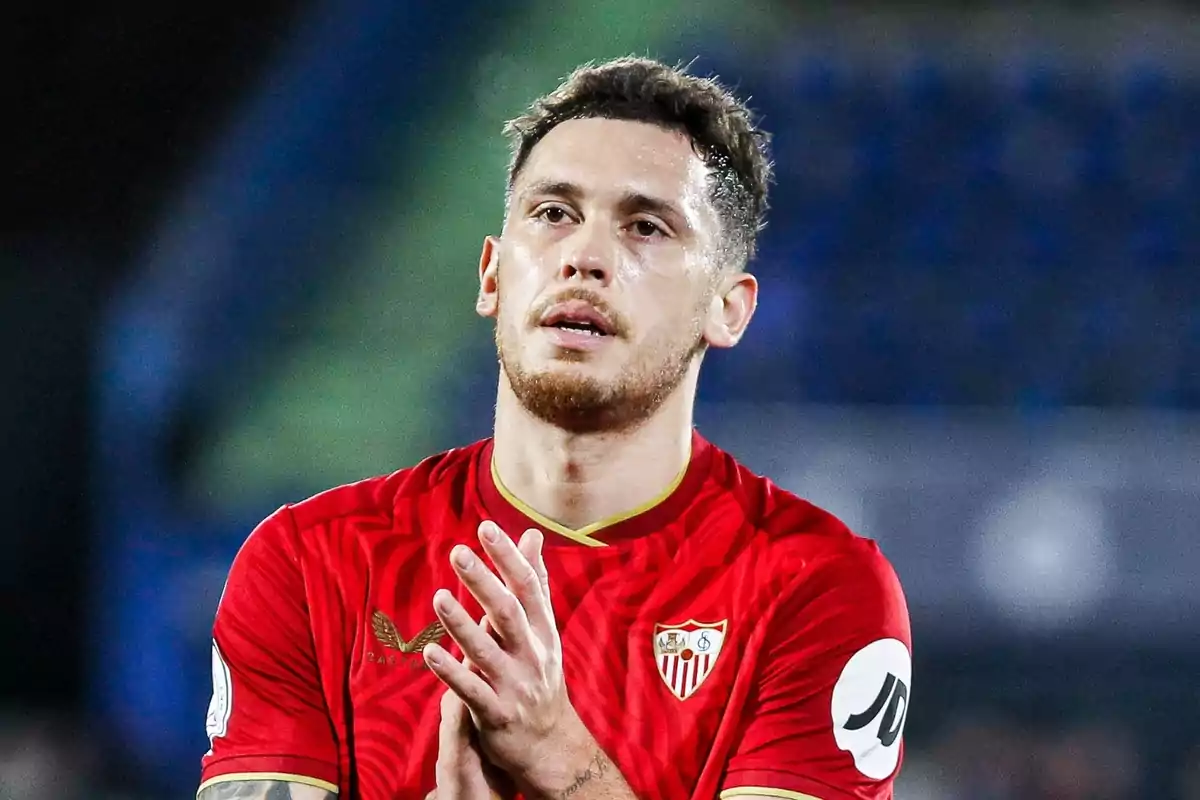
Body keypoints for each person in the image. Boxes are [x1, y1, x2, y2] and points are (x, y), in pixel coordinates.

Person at [196, 56, 911, 800]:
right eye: (553, 214)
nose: (585, 258)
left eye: (645, 226)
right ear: (493, 276)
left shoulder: (816, 589)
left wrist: (559, 757)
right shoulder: (310, 566)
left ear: (727, 308)